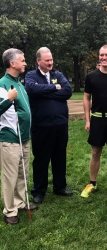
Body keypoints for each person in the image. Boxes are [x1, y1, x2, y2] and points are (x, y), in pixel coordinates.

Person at [25, 47, 73, 204]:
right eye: (47, 60)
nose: (50, 62)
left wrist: (44, 93)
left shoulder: (57, 74)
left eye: (51, 59)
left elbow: (68, 91)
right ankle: (39, 191)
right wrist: (54, 87)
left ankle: (60, 187)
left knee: (60, 157)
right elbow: (32, 89)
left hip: (60, 125)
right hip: (41, 126)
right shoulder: (32, 75)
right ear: (39, 61)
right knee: (41, 159)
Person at [0, 48, 38, 225]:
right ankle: (9, 211)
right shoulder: (3, 84)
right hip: (10, 137)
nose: (25, 63)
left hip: (25, 136)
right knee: (10, 175)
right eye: (22, 61)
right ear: (12, 63)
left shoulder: (20, 83)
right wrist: (8, 99)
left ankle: (21, 202)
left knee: (23, 172)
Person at [81, 45, 107, 198]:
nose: (104, 57)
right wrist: (87, 120)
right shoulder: (91, 76)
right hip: (97, 118)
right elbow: (86, 97)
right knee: (95, 152)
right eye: (101, 55)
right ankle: (92, 183)